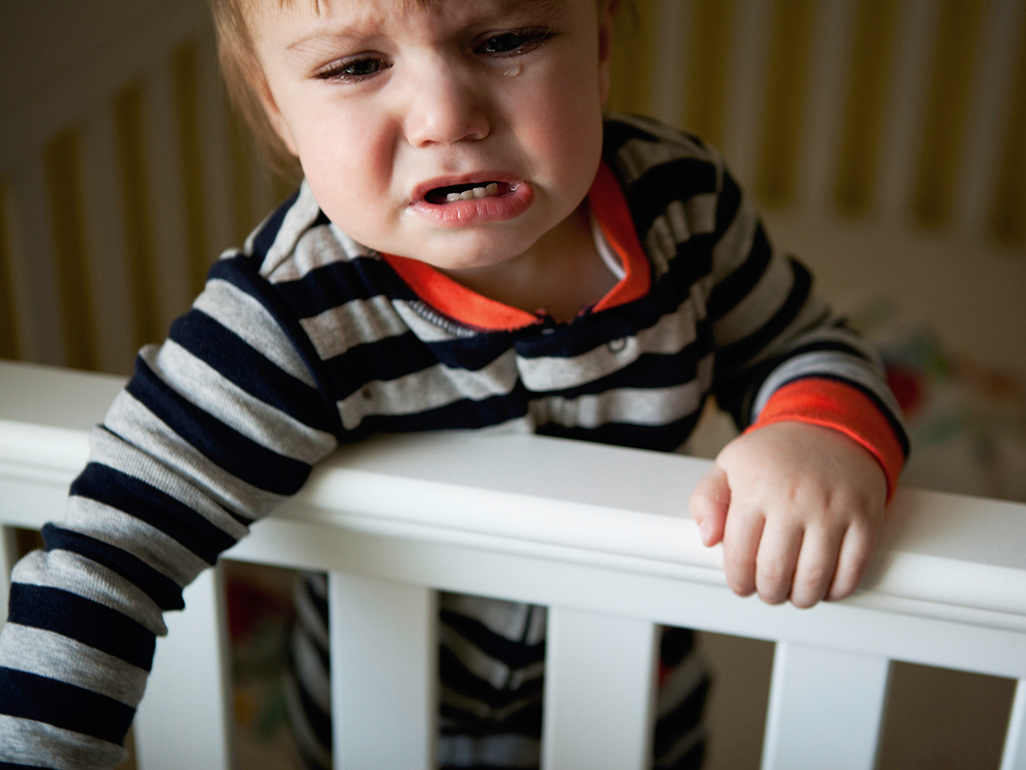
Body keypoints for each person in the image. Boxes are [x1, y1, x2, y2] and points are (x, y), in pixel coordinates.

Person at [0, 0, 908, 768]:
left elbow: (805, 341)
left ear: (597, 48)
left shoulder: (683, 206)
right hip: (371, 719)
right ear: (280, 114)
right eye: (356, 65)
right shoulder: (292, 311)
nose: (446, 116)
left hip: (641, 706)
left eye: (506, 40)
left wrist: (817, 427)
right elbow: (103, 559)